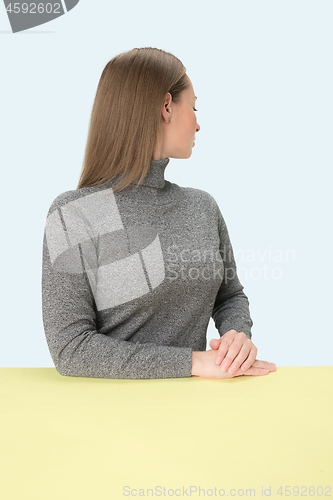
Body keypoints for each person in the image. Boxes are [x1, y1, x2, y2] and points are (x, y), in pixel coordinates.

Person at [41, 47, 276, 380]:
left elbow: (230, 295)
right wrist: (193, 363)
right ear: (166, 106)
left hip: (201, 412)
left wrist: (235, 339)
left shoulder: (202, 206)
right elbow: (71, 348)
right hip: (109, 419)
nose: (198, 124)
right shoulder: (76, 214)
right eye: (193, 107)